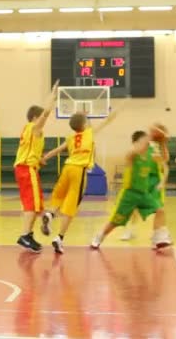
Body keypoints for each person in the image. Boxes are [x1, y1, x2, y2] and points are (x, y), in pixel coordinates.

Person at [40, 109, 119, 254]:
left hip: (67, 168)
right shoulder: (89, 133)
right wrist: (116, 111)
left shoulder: (71, 137)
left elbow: (58, 149)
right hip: (79, 171)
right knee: (70, 207)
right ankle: (59, 237)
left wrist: (45, 157)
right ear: (84, 124)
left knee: (58, 197)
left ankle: (50, 214)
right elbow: (107, 121)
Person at [91, 130, 172, 250]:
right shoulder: (131, 155)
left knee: (160, 210)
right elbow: (134, 151)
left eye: (147, 142)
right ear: (135, 143)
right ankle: (99, 236)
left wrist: (163, 142)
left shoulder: (150, 156)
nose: (146, 144)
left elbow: (164, 159)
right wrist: (149, 137)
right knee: (115, 222)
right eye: (142, 142)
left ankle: (158, 239)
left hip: (143, 194)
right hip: (129, 194)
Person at [14, 81, 58, 253]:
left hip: (27, 167)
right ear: (34, 118)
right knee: (32, 205)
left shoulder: (30, 131)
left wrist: (39, 159)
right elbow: (46, 113)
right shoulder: (33, 127)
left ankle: (29, 234)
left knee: (36, 204)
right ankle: (24, 235)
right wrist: (53, 96)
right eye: (40, 118)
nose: (43, 121)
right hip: (26, 169)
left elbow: (28, 150)